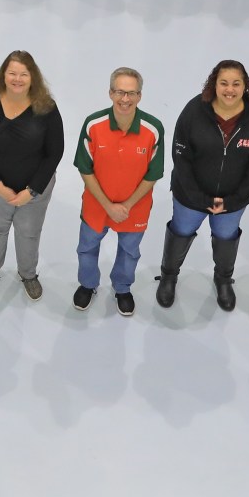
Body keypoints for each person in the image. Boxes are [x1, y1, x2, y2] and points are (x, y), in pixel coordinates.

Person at [156, 60, 249, 311]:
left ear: (245, 86)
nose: (229, 89)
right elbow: (181, 158)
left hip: (232, 201)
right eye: (224, 83)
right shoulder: (194, 111)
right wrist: (199, 198)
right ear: (214, 84)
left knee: (225, 237)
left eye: (236, 84)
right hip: (190, 197)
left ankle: (223, 280)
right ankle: (168, 276)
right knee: (181, 231)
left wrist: (233, 200)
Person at [0, 50, 65, 300]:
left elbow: (54, 153)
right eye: (12, 73)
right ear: (4, 75)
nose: (17, 79)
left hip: (34, 191)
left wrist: (31, 191)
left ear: (33, 77)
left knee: (29, 233)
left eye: (23, 74)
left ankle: (28, 274)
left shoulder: (47, 107)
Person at [71, 67, 166, 317]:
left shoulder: (153, 129)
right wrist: (108, 206)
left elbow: (153, 174)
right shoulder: (93, 124)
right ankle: (88, 284)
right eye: (120, 92)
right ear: (110, 93)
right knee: (87, 248)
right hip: (96, 205)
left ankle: (122, 288)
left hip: (135, 208)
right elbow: (85, 168)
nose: (126, 99)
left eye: (132, 93)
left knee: (129, 251)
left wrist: (125, 205)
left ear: (140, 96)